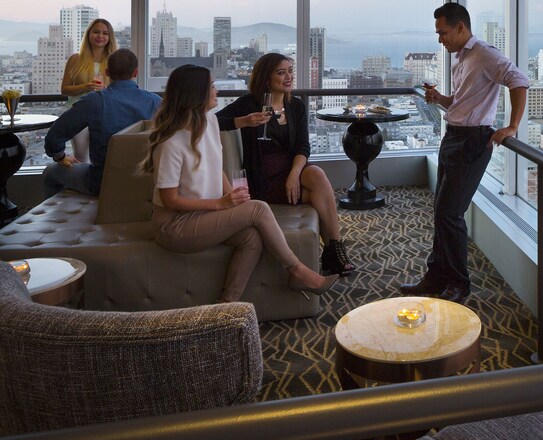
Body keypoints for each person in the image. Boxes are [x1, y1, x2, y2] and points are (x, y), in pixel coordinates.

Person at [143, 65, 337, 303]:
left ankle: (227, 306)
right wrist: (220, 204)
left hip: (201, 216)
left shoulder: (209, 122)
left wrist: (231, 195)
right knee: (258, 208)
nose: (217, 90)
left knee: (251, 238)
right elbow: (169, 200)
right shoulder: (171, 142)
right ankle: (297, 271)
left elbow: (216, 169)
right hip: (174, 224)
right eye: (212, 86)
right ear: (195, 94)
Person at [400, 2, 529, 303]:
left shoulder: (486, 54)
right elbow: (461, 103)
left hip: (473, 142)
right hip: (453, 136)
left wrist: (512, 126)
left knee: (450, 213)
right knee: (442, 212)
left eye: (443, 33)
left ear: (460, 27)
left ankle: (460, 283)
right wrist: (439, 98)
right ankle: (436, 276)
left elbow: (519, 81)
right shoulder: (461, 58)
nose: (440, 39)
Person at [216, 53, 358, 277]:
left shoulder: (296, 107)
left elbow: (303, 147)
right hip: (264, 179)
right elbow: (212, 121)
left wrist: (294, 173)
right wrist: (243, 121)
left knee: (317, 175)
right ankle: (333, 254)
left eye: (290, 71)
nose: (288, 77)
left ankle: (334, 249)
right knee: (317, 196)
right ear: (266, 77)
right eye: (281, 73)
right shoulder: (249, 103)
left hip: (292, 171)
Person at [43, 49, 160, 198]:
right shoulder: (156, 102)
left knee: (50, 173)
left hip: (101, 183)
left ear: (107, 72)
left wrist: (60, 157)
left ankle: (57, 219)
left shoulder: (95, 100)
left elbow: (54, 137)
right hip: (145, 181)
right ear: (135, 73)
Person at [61, 18, 118, 162]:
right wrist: (86, 86)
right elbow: (65, 89)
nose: (100, 36)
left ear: (110, 37)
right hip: (78, 114)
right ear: (88, 34)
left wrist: (105, 89)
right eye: (96, 32)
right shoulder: (75, 59)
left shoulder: (114, 62)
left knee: (104, 158)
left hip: (105, 114)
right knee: (81, 157)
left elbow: (119, 91)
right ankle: (82, 185)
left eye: (105, 33)